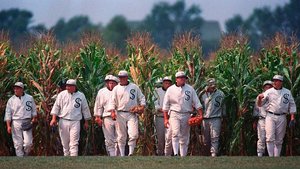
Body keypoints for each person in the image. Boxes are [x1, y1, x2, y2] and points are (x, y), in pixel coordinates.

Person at [162, 71, 203, 157]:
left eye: (184, 77)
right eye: (181, 78)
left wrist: (200, 115)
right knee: (175, 133)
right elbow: (165, 106)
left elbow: (197, 103)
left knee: (184, 136)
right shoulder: (170, 89)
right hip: (174, 113)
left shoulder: (190, 89)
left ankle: (183, 155)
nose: (183, 79)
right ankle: (176, 153)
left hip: (186, 114)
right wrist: (166, 119)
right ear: (176, 79)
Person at [107, 70, 146, 156]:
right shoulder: (116, 88)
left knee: (134, 134)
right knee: (121, 136)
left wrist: (142, 106)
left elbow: (142, 98)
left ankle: (131, 153)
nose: (121, 79)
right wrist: (112, 111)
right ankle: (122, 154)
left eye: (123, 77)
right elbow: (112, 101)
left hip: (132, 113)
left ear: (127, 77)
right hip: (120, 113)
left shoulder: (134, 87)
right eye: (120, 77)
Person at [50, 79, 91, 156]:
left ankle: (73, 160)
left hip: (75, 121)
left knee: (74, 143)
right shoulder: (62, 95)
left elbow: (85, 109)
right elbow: (56, 107)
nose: (67, 88)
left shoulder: (81, 95)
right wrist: (53, 119)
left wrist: (86, 122)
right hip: (63, 121)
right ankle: (67, 159)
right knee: (65, 143)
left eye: (69, 86)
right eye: (67, 86)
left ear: (74, 87)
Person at [257, 75, 296, 157]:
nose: (274, 82)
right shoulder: (269, 91)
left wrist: (292, 118)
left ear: (281, 82)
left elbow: (292, 105)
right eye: (274, 80)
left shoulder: (287, 92)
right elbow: (260, 104)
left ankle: (277, 157)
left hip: (282, 116)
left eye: (277, 80)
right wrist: (260, 99)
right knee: (269, 137)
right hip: (270, 116)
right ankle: (271, 157)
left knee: (279, 139)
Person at [4, 82, 37, 157]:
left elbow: (34, 110)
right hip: (16, 122)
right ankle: (20, 160)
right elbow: (8, 113)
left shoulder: (29, 98)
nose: (15, 90)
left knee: (28, 143)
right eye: (15, 88)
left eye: (17, 88)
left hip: (27, 121)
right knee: (18, 144)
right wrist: (8, 126)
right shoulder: (11, 100)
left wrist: (34, 118)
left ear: (22, 89)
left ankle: (25, 155)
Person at [94, 75, 119, 156]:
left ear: (116, 83)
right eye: (109, 83)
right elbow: (98, 105)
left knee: (119, 138)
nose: (111, 85)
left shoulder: (120, 90)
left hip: (119, 117)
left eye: (112, 83)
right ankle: (112, 156)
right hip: (107, 117)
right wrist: (97, 117)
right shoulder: (102, 92)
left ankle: (119, 155)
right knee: (109, 139)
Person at [200, 78, 225, 157]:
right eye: (211, 86)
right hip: (205, 119)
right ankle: (206, 153)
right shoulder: (202, 94)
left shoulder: (220, 94)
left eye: (214, 86)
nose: (213, 88)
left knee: (215, 136)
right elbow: (197, 105)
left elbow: (223, 106)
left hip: (216, 117)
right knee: (205, 139)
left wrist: (223, 117)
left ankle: (213, 153)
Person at [153, 76, 172, 156]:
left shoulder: (173, 91)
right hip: (160, 117)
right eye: (165, 83)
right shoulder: (157, 91)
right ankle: (160, 153)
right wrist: (163, 110)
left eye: (168, 83)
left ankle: (169, 154)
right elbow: (155, 104)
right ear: (163, 83)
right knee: (160, 138)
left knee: (170, 137)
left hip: (171, 117)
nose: (167, 84)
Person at [253, 80, 273, 157]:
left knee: (271, 138)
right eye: (266, 87)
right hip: (262, 119)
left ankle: (272, 155)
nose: (267, 88)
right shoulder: (259, 96)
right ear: (263, 88)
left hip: (272, 119)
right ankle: (260, 154)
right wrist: (255, 120)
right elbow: (256, 109)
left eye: (269, 87)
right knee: (261, 137)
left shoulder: (275, 96)